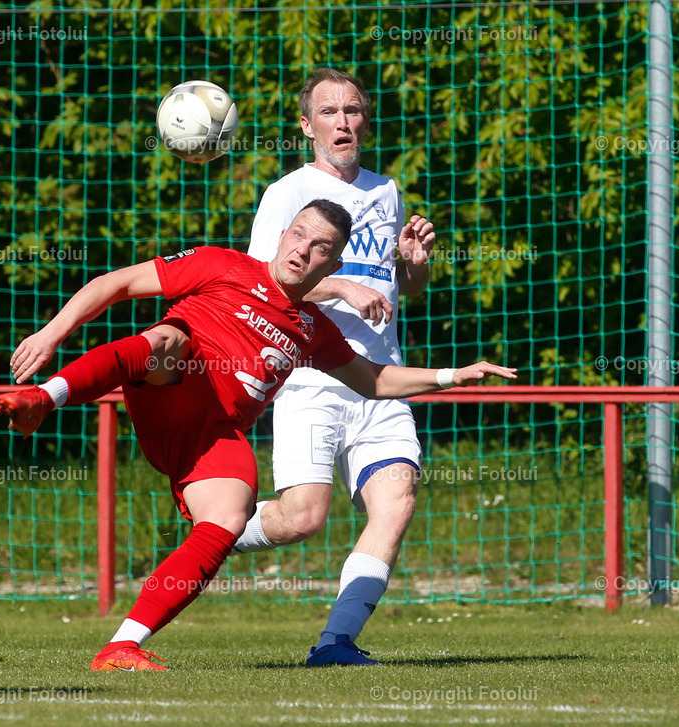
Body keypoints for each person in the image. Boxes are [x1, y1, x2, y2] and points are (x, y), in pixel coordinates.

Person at [0, 199, 515, 671]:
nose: (303, 251)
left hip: (210, 434)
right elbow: (118, 283)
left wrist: (452, 376)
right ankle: (45, 399)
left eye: (321, 249)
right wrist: (50, 334)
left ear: (332, 267)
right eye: (299, 236)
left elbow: (375, 379)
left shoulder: (312, 327)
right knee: (168, 340)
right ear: (283, 234)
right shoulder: (222, 264)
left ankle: (121, 646)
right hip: (172, 383)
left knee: (228, 514)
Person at [234, 67, 439, 666]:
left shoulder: (386, 190)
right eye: (328, 112)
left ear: (364, 121)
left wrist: (416, 262)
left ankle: (336, 643)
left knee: (396, 499)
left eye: (352, 110)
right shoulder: (286, 193)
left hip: (380, 379)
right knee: (302, 518)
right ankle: (219, 533)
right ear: (306, 126)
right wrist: (342, 287)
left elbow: (406, 289)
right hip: (313, 377)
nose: (342, 122)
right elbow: (264, 286)